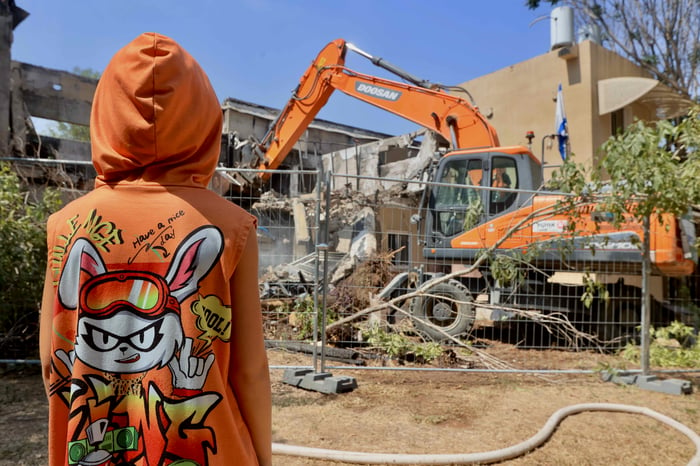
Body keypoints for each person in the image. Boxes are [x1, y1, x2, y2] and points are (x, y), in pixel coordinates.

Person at [39, 32, 272, 466]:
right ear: (203, 120)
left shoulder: (65, 225)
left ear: (105, 116)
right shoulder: (232, 224)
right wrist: (262, 457)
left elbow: (54, 363)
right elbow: (249, 371)